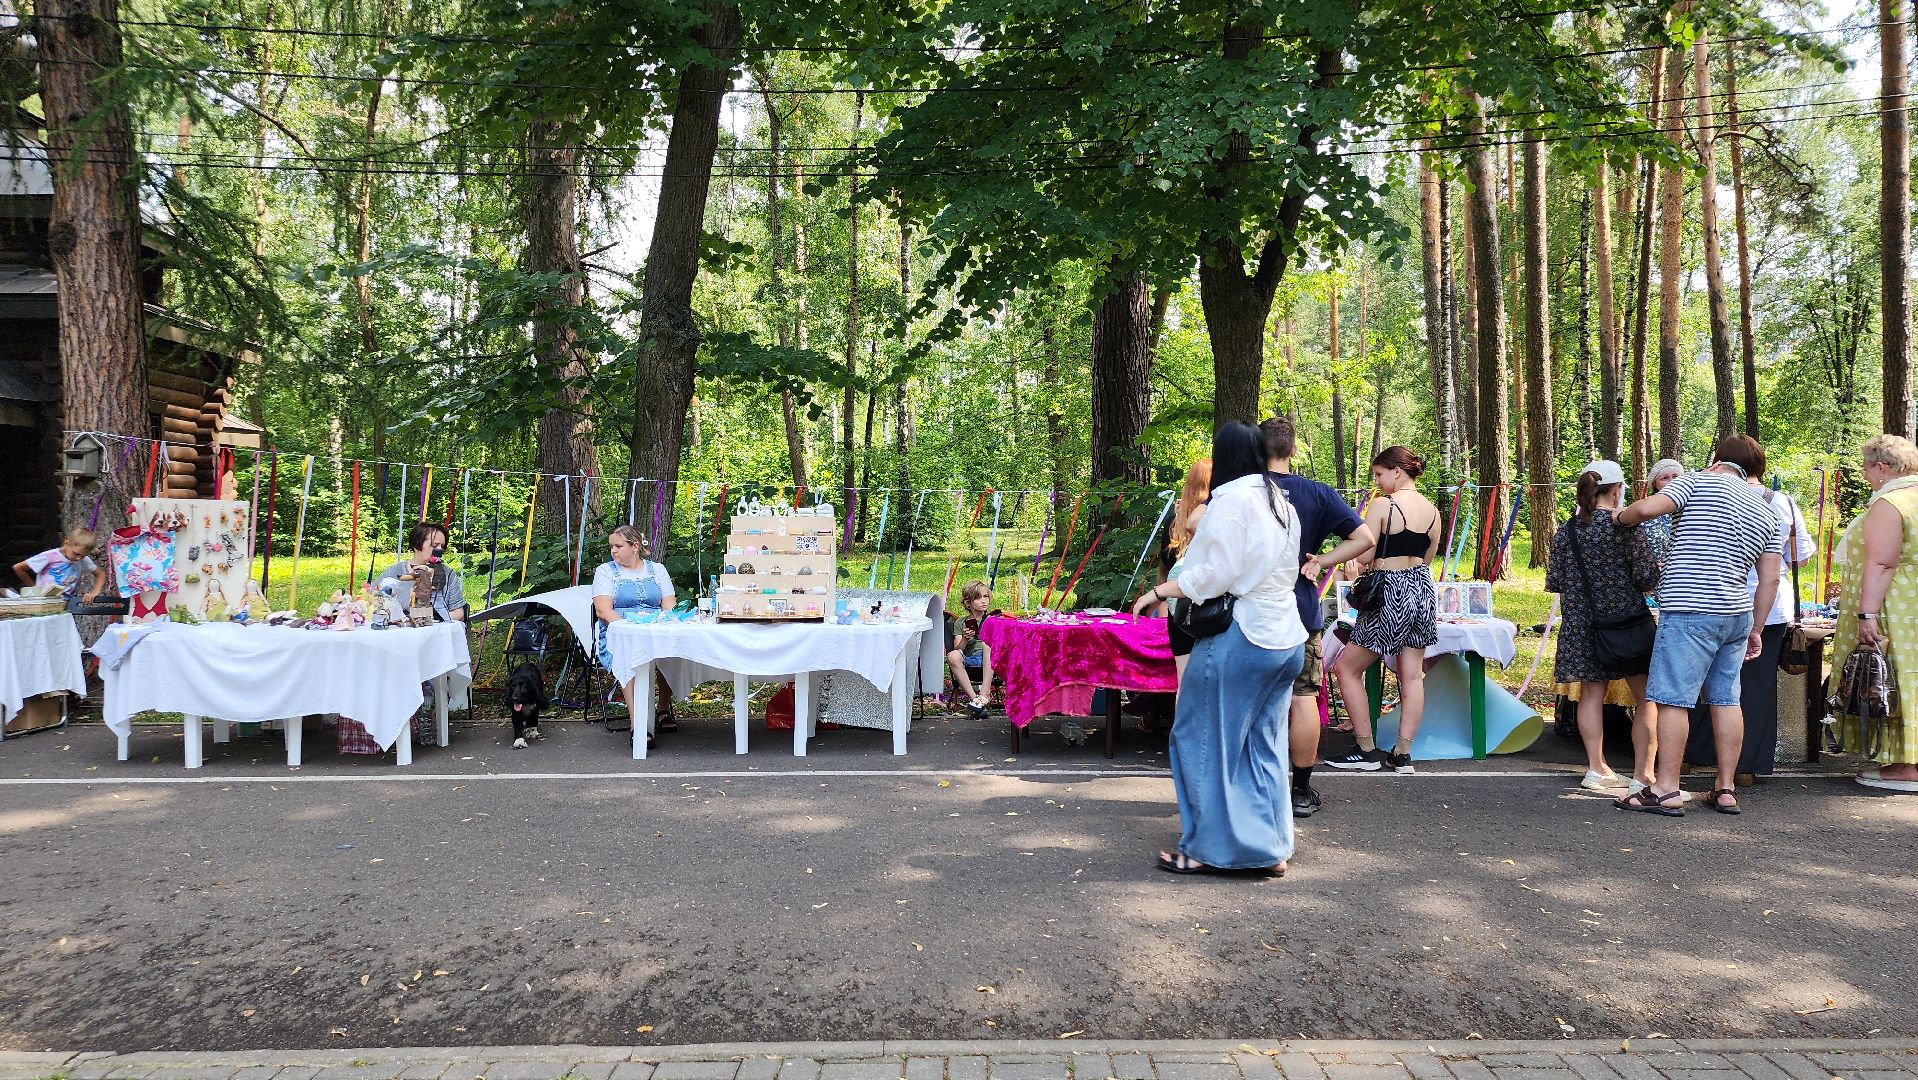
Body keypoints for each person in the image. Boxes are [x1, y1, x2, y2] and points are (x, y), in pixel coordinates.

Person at [1130, 421, 1304, 876]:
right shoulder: (1281, 503)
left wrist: (1163, 591)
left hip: (1243, 636)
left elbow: (1214, 575)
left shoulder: (1230, 501)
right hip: (1286, 637)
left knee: (1200, 738)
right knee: (1263, 747)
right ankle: (1270, 849)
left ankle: (1205, 848)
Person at [1614, 435, 1781, 816]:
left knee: (1673, 698)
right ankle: (1724, 788)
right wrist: (1755, 628)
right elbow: (1769, 580)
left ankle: (1667, 788)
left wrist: (1618, 517)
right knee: (1726, 697)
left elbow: (1644, 511)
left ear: (1716, 459)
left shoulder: (1696, 481)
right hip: (1736, 613)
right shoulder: (1765, 509)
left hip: (1691, 607)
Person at [1259, 416, 1374, 819]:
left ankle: (1251, 787)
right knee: (1303, 696)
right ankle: (1301, 791)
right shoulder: (1317, 493)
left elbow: (1195, 524)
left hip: (1250, 614)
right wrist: (1322, 560)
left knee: (1250, 700)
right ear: (1293, 450)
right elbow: (1365, 539)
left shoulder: (1239, 491)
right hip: (1299, 610)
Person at [1685, 438, 1815, 785]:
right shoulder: (1782, 502)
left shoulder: (1708, 495)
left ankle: (1694, 756)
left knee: (1702, 682)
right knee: (1755, 688)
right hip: (1768, 608)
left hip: (1713, 598)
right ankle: (1744, 766)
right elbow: (1800, 556)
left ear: (1720, 463)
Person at [1543, 460, 1660, 792]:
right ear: (1618, 490)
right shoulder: (1624, 527)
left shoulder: (1565, 530)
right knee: (1646, 698)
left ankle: (1597, 768)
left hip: (1583, 625)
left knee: (1591, 695)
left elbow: (1555, 580)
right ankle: (1644, 776)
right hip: (1625, 625)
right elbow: (1646, 578)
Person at [1325, 446, 1441, 774]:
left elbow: (1363, 553)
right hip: (1420, 589)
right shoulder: (1434, 512)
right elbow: (1427, 559)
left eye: (1379, 474)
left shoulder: (1382, 506)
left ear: (1397, 471)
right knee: (1412, 675)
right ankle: (1402, 754)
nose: (1377, 482)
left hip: (1387, 591)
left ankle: (1365, 749)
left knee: (1347, 668)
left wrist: (1348, 563)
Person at [1830, 434, 1918, 792]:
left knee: (1895, 676)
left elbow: (1882, 562)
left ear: (1881, 468)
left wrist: (1867, 615)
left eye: (1867, 468)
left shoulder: (1891, 503)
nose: (1866, 475)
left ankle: (1906, 766)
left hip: (1895, 604)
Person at [594, 526, 679, 736]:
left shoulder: (657, 570)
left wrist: (664, 623)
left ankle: (663, 708)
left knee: (671, 652)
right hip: (619, 631)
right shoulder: (605, 571)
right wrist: (629, 629)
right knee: (628, 658)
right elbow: (603, 610)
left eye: (618, 546)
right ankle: (637, 724)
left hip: (654, 628)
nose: (613, 550)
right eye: (611, 546)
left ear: (635, 546)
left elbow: (669, 604)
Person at [1157, 458, 1213, 685]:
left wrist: (1162, 611)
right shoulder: (1214, 518)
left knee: (1185, 683)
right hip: (1209, 610)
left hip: (1177, 611)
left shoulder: (1173, 523)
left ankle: (1185, 721)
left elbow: (1164, 569)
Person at [378, 521, 468, 623]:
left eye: (442, 546)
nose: (440, 550)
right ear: (417, 545)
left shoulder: (448, 574)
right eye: (434, 545)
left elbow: (459, 613)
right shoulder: (394, 572)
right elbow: (373, 602)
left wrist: (426, 620)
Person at [14, 528, 105, 605]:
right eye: (76, 554)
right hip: (43, 603)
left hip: (65, 605)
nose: (78, 558)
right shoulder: (50, 556)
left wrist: (94, 592)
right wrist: (34, 590)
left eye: (83, 556)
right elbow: (19, 568)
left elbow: (101, 574)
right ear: (66, 543)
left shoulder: (83, 560)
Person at [946, 580, 995, 717]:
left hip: (991, 660)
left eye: (986, 596)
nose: (984, 601)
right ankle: (976, 700)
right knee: (953, 655)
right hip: (970, 660)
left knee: (987, 644)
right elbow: (958, 649)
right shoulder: (961, 622)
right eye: (979, 598)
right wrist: (965, 638)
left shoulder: (993, 620)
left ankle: (984, 693)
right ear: (968, 603)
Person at [1641, 458, 1684, 567]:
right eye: (1665, 478)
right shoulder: (1646, 509)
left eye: (1675, 476)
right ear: (1655, 484)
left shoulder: (1693, 508)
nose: (1672, 481)